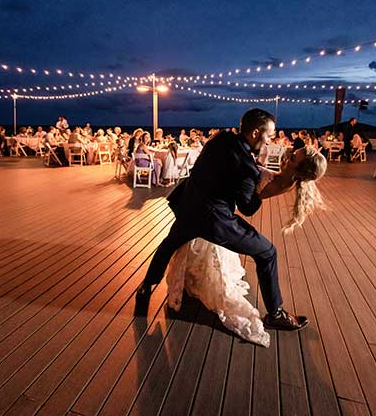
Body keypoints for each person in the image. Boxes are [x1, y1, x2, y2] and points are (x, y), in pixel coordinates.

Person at [137, 108, 309, 333]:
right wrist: (262, 188)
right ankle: (276, 314)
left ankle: (145, 287)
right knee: (268, 252)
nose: (270, 140)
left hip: (188, 206)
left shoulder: (221, 138)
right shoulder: (247, 166)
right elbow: (247, 207)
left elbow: (221, 169)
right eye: (269, 135)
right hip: (215, 220)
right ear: (256, 133)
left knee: (169, 243)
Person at [165, 145, 326, 346]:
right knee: (267, 253)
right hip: (208, 208)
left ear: (300, 172)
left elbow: (248, 204)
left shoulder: (281, 182)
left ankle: (274, 313)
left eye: (292, 158)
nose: (286, 157)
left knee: (267, 252)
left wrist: (247, 167)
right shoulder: (287, 179)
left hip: (213, 209)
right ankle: (275, 313)